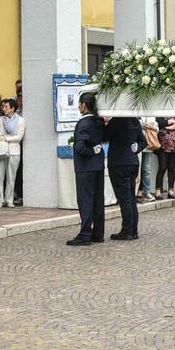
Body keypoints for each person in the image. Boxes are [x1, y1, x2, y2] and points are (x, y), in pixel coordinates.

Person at [68, 91, 105, 246]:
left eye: (79, 104)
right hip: (98, 165)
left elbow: (80, 147)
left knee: (85, 201)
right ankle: (98, 233)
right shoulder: (98, 121)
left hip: (85, 167)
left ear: (84, 105)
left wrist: (91, 151)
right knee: (97, 200)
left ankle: (85, 234)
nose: (78, 106)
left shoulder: (83, 123)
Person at [106, 116, 145, 241]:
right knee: (130, 197)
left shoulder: (115, 121)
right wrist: (136, 149)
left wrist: (103, 122)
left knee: (124, 199)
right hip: (132, 162)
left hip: (119, 163)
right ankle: (133, 230)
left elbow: (104, 137)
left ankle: (127, 230)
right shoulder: (134, 121)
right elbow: (144, 142)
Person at [0, 98, 24, 208]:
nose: (4, 109)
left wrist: (6, 138)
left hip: (14, 151)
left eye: (6, 107)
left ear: (13, 108)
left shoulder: (20, 120)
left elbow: (19, 137)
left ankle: (9, 200)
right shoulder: (0, 119)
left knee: (11, 176)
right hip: (0, 149)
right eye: (3, 107)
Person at [154, 117, 175, 199]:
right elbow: (158, 123)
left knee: (171, 167)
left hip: (174, 145)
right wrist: (170, 122)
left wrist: (166, 127)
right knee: (162, 167)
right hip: (162, 145)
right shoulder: (160, 113)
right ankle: (157, 191)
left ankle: (170, 191)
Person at [138, 117, 158, 202]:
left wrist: (149, 126)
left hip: (148, 143)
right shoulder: (137, 114)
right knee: (137, 169)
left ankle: (146, 191)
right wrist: (142, 126)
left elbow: (157, 129)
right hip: (138, 144)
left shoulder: (152, 116)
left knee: (146, 169)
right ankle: (136, 191)